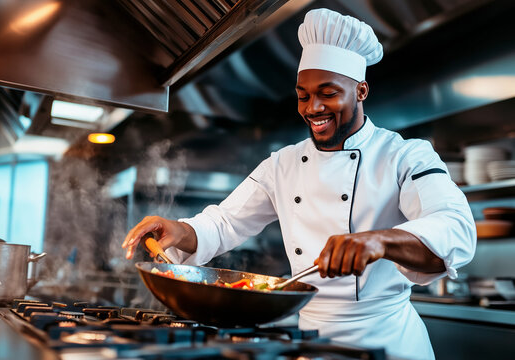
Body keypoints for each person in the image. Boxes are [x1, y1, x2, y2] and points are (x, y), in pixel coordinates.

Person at [122, 8, 476, 360]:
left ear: (362, 90)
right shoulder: (283, 164)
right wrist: (180, 230)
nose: (313, 107)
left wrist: (379, 241)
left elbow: (456, 228)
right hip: (310, 343)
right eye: (303, 95)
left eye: (328, 93)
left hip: (388, 342)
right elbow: (226, 221)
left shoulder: (405, 156)